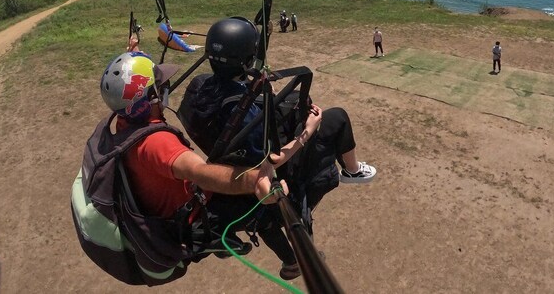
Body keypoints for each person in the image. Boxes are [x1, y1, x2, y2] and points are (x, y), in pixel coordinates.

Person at [100, 51, 298, 278]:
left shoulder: (125, 123)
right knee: (263, 211)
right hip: (191, 218)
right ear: (150, 99)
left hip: (166, 206)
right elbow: (200, 172)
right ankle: (290, 261)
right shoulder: (157, 143)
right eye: (160, 85)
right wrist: (256, 180)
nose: (165, 87)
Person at [179, 18, 376, 233]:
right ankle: (352, 170)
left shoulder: (199, 86)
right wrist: (308, 129)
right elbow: (272, 160)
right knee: (338, 117)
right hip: (262, 166)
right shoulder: (246, 114)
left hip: (224, 152)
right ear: (247, 59)